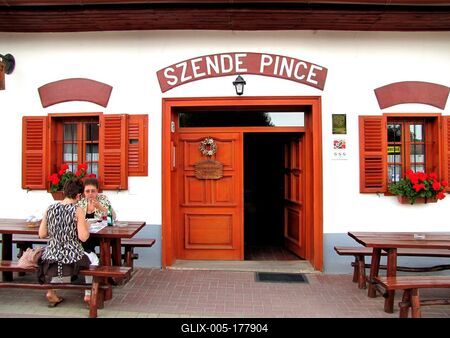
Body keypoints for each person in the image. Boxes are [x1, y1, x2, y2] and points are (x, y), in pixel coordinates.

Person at [38, 177, 99, 307]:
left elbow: (42, 234)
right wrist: (86, 226)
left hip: (51, 254)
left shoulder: (50, 208)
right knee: (94, 259)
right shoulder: (77, 210)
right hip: (72, 254)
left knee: (58, 263)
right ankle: (88, 294)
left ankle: (51, 291)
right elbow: (83, 237)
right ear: (78, 195)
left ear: (64, 192)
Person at [77, 177, 116, 254]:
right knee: (82, 240)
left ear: (97, 190)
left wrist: (100, 207)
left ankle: (94, 261)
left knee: (96, 243)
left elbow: (113, 216)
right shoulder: (81, 201)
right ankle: (90, 259)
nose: (90, 193)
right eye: (87, 191)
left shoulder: (103, 199)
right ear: (84, 192)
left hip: (101, 234)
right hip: (86, 233)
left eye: (93, 191)